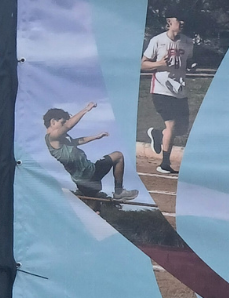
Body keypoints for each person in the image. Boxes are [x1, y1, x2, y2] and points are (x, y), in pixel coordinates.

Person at [43, 103, 138, 202]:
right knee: (118, 156)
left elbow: (78, 141)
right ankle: (119, 192)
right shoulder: (52, 137)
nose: (64, 127)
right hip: (90, 174)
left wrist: (95, 137)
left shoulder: (61, 140)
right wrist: (86, 109)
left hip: (82, 183)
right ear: (53, 122)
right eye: (62, 122)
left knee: (95, 208)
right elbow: (68, 125)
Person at [141, 15, 192, 175]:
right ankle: (164, 164)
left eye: (183, 20)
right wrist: (159, 64)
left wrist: (190, 68)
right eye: (179, 20)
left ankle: (158, 134)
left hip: (179, 89)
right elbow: (143, 64)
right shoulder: (157, 40)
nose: (182, 23)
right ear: (169, 23)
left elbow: (187, 62)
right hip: (161, 88)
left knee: (182, 128)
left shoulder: (188, 42)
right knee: (171, 125)